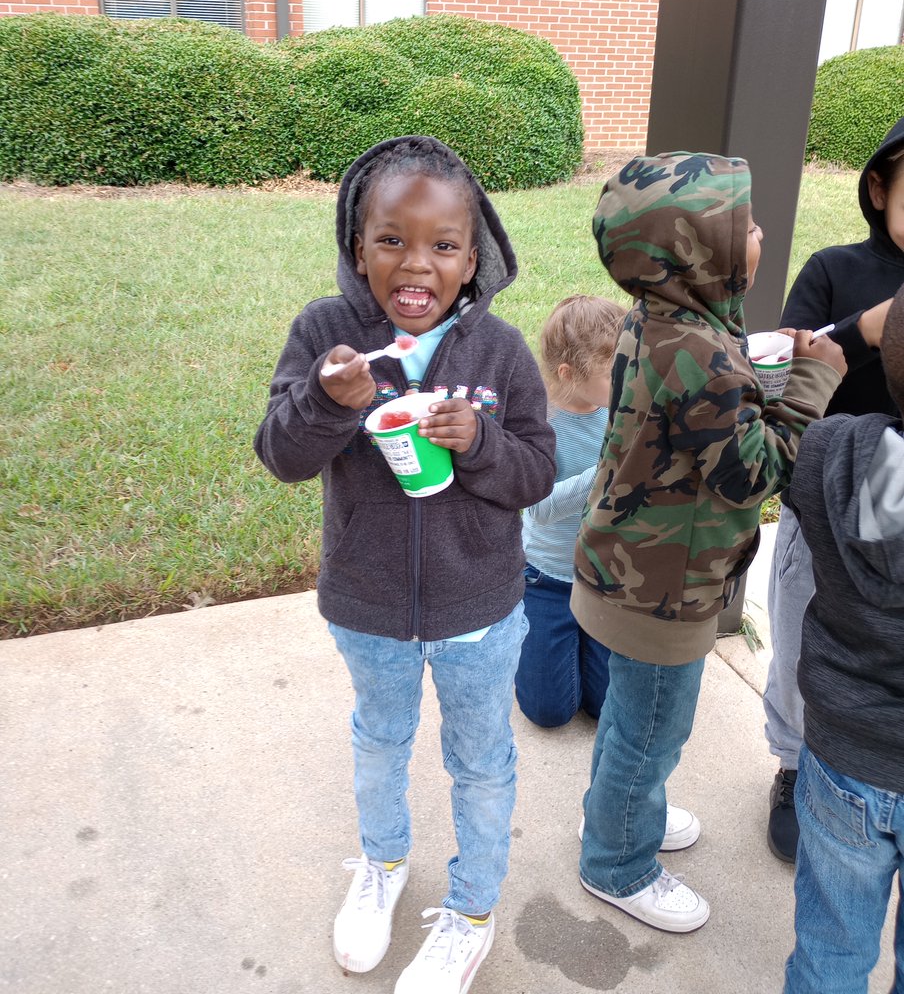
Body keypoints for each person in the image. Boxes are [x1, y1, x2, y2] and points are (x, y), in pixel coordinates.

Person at [253, 135, 555, 993]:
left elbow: (535, 468)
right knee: (380, 742)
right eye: (391, 239)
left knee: (481, 760)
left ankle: (470, 911)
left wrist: (483, 442)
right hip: (369, 603)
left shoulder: (497, 353)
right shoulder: (328, 335)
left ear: (473, 259)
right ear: (358, 245)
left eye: (443, 245)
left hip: (480, 612)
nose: (415, 263)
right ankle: (382, 864)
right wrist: (324, 402)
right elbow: (281, 455)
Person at [571, 151, 847, 933]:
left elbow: (706, 414)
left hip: (626, 570)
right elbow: (755, 475)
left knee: (633, 724)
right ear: (698, 252)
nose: (760, 234)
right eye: (748, 226)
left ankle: (624, 814)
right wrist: (812, 387)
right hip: (663, 591)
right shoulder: (698, 353)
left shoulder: (661, 320)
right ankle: (616, 863)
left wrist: (757, 373)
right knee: (650, 733)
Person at [763, 115, 904, 864]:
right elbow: (783, 366)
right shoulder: (835, 268)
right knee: (799, 634)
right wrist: (864, 330)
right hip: (829, 492)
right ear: (879, 187)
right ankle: (792, 761)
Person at [783, 279, 904, 993]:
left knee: (829, 945)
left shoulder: (836, 451)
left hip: (845, 760)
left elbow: (780, 449)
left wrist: (857, 335)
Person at [515, 294, 625, 728]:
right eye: (613, 373)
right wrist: (605, 472)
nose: (628, 380)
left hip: (603, 577)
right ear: (568, 374)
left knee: (603, 707)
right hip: (546, 578)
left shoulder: (620, 408)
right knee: (550, 710)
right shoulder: (539, 423)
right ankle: (523, 646)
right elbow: (538, 509)